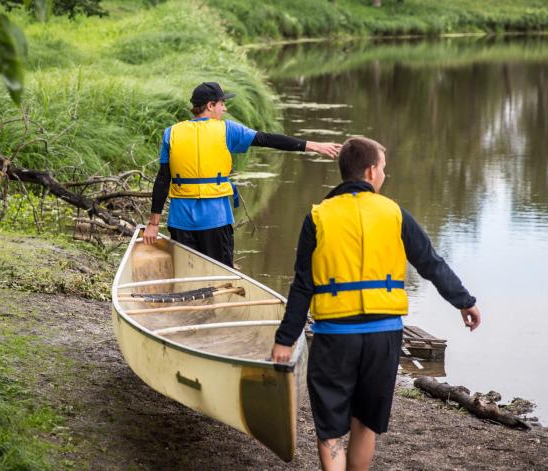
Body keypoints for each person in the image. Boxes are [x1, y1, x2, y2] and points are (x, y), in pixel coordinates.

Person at [269, 136, 482, 471]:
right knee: (365, 422)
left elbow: (302, 285)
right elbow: (430, 263)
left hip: (335, 336)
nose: (385, 175)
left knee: (331, 427)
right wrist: (464, 301)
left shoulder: (318, 217)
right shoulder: (394, 213)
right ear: (370, 172)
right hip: (383, 336)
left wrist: (285, 338)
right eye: (383, 169)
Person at [141, 82, 342, 266]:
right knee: (221, 277)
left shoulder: (172, 133)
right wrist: (312, 145)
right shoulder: (227, 130)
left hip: (180, 220)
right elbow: (266, 139)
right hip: (215, 219)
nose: (225, 108)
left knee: (186, 274)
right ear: (210, 106)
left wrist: (153, 224)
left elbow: (162, 180)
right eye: (222, 103)